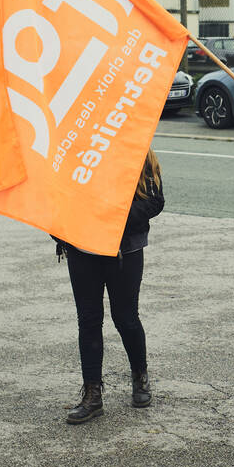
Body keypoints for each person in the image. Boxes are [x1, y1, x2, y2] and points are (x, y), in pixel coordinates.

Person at [57, 148, 164, 424]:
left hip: (124, 250)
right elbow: (55, 195)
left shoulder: (136, 144)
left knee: (126, 318)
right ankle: (92, 395)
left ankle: (140, 376)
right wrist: (57, 225)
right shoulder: (73, 147)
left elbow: (155, 202)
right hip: (81, 248)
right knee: (89, 320)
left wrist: (113, 218)